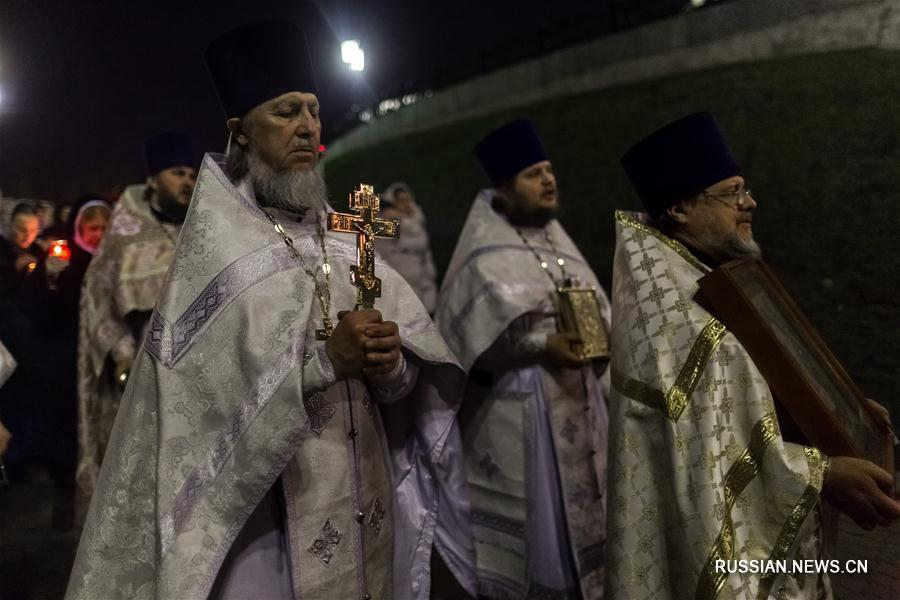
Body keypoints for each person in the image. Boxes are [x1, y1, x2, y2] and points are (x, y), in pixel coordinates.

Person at [66, 20, 474, 600]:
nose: (308, 126)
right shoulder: (219, 258)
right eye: (285, 112)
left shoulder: (344, 239)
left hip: (368, 502)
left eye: (312, 110)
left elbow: (405, 385)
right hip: (267, 531)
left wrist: (391, 368)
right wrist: (321, 363)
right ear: (242, 133)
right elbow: (202, 417)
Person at [607, 112, 900, 599]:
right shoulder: (678, 318)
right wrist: (824, 473)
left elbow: (747, 400)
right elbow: (706, 465)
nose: (750, 203)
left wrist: (842, 412)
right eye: (732, 192)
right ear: (680, 208)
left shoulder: (707, 273)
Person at [435, 119, 609, 599]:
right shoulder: (482, 253)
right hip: (525, 406)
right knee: (547, 526)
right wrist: (538, 347)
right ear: (505, 189)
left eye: (550, 170)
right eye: (534, 173)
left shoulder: (561, 243)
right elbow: (463, 345)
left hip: (583, 397)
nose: (549, 180)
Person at [74, 133, 196, 506]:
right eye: (178, 173)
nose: (188, 182)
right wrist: (124, 355)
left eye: (193, 175)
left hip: (199, 379)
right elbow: (97, 301)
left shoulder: (204, 229)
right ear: (153, 179)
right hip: (144, 379)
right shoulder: (123, 236)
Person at [43, 197, 111, 530]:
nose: (97, 235)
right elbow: (47, 316)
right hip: (69, 359)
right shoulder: (69, 264)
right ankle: (66, 500)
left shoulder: (116, 260)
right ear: (78, 230)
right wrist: (50, 281)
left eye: (103, 228)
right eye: (91, 229)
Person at [0, 203, 50, 482]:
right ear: (10, 225)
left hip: (30, 341)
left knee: (30, 401)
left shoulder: (38, 251)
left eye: (31, 231)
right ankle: (12, 462)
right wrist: (14, 272)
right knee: (11, 402)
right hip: (7, 342)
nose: (25, 236)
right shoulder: (3, 253)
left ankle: (30, 454)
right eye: (20, 229)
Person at [377, 182, 438, 313]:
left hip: (424, 277)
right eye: (401, 201)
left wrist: (429, 269)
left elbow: (425, 248)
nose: (406, 204)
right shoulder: (388, 223)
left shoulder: (417, 218)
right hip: (404, 279)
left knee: (431, 310)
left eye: (407, 199)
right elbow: (383, 251)